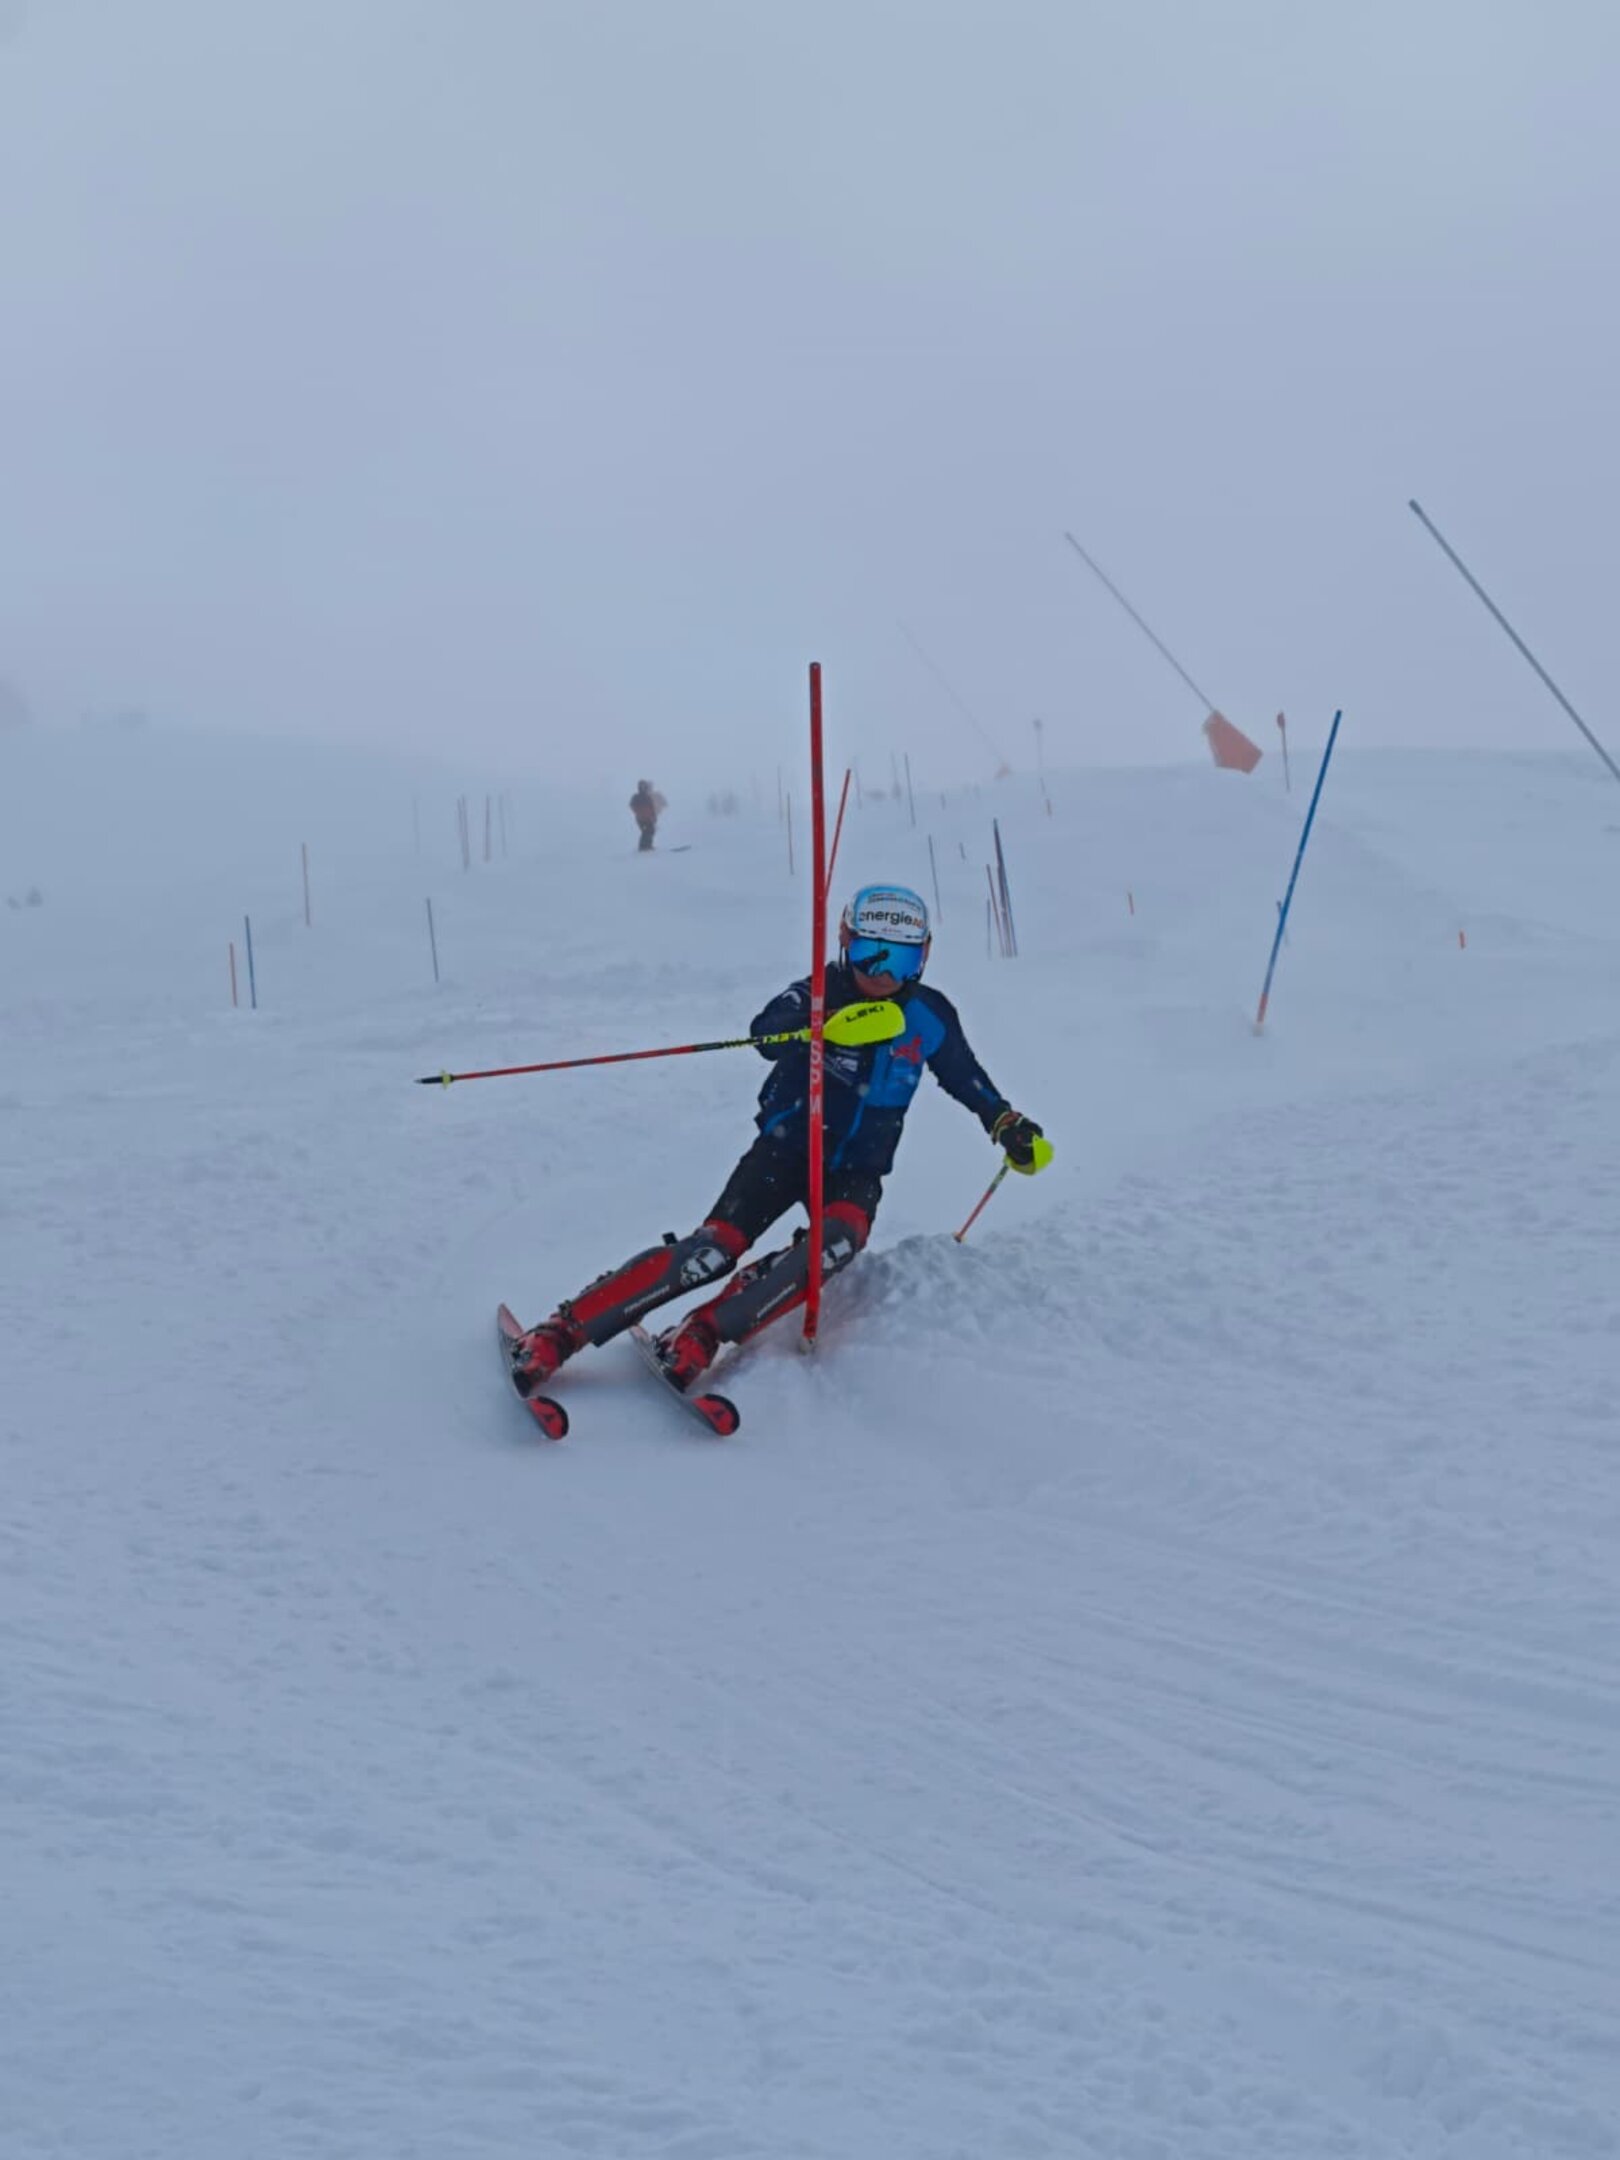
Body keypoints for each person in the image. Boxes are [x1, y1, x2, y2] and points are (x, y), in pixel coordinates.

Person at [509, 882, 1052, 1394]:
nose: (883, 974)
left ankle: (702, 1331)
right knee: (711, 1252)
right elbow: (765, 1032)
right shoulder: (817, 993)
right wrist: (816, 1026)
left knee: (834, 1243)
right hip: (786, 1149)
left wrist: (1005, 1123)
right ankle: (562, 1331)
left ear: (926, 954)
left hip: (857, 1168)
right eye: (870, 955)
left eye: (902, 960)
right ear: (844, 940)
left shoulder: (930, 1014)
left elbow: (964, 1076)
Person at [629, 779, 666, 851]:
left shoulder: (647, 797)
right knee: (646, 831)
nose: (643, 788)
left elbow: (651, 808)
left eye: (644, 786)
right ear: (639, 787)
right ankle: (643, 847)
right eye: (641, 786)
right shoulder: (636, 797)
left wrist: (654, 816)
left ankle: (648, 846)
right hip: (641, 818)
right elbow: (632, 806)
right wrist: (639, 812)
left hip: (648, 818)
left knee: (651, 830)